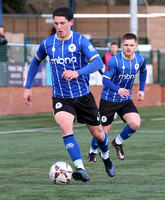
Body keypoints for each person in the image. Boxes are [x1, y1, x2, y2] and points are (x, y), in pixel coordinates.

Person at [23, 6, 115, 182]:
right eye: (56, 23)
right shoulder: (48, 43)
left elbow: (97, 63)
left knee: (99, 134)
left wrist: (77, 72)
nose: (59, 26)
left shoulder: (80, 41)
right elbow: (35, 62)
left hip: (83, 96)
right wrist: (28, 87)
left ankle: (105, 156)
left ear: (71, 22)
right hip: (61, 97)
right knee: (65, 126)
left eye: (62, 23)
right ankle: (80, 168)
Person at [88, 33, 147, 162]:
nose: (128, 48)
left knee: (135, 123)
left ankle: (117, 142)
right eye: (126, 45)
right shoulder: (115, 60)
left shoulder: (140, 59)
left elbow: (143, 71)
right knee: (102, 132)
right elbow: (105, 80)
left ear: (136, 46)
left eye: (131, 45)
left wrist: (141, 89)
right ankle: (92, 151)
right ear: (121, 46)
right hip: (109, 99)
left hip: (125, 100)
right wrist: (118, 89)